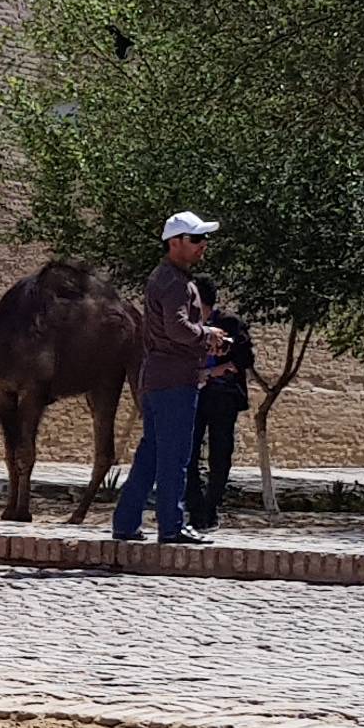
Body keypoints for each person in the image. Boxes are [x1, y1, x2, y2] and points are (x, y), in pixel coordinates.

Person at [112, 211, 229, 544]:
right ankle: (171, 525)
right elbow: (177, 328)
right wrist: (206, 335)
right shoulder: (173, 281)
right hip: (174, 379)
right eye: (195, 239)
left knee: (151, 454)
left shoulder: (169, 278)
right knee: (175, 454)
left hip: (160, 377)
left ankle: (126, 521)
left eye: (203, 238)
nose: (202, 245)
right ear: (174, 242)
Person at [183, 276, 255, 533]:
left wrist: (214, 371)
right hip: (195, 397)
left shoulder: (229, 324)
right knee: (188, 454)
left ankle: (211, 508)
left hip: (224, 398)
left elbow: (245, 358)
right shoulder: (188, 326)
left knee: (220, 454)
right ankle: (195, 509)